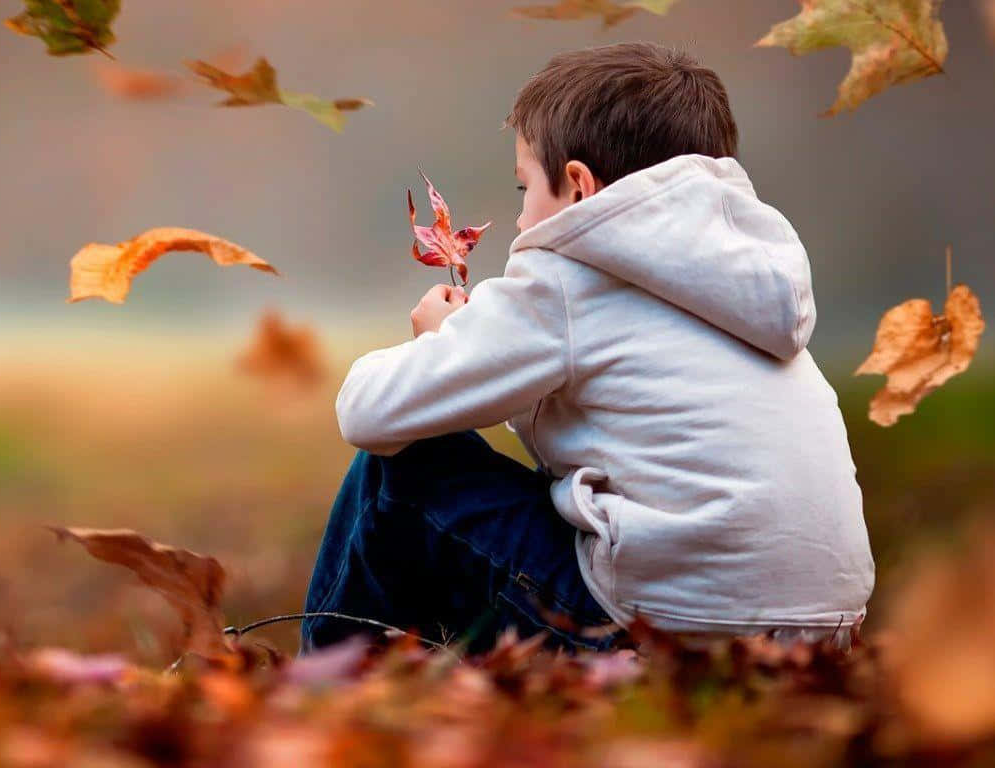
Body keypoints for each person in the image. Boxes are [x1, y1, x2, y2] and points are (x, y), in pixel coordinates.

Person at [303, 43, 873, 652]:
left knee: (399, 468)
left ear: (578, 187)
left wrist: (436, 346)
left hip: (665, 632)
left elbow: (367, 413)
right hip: (822, 633)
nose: (522, 222)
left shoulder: (569, 278)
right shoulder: (748, 280)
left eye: (524, 189)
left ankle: (321, 697)